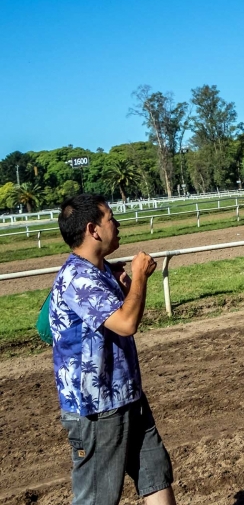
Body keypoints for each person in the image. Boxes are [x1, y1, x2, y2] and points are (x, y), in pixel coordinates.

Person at [50, 194, 175, 505]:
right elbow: (126, 323)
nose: (117, 224)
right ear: (93, 229)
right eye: (111, 219)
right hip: (96, 410)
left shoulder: (100, 270)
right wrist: (140, 280)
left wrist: (122, 284)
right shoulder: (79, 278)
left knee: (155, 478)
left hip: (128, 397)